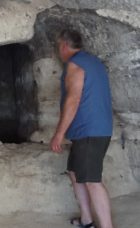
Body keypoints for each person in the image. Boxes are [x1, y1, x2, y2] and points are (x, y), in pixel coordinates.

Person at [50, 29, 114, 228]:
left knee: (92, 180)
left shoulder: (75, 64)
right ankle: (86, 220)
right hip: (92, 130)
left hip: (90, 131)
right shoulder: (93, 62)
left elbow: (73, 99)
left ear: (64, 46)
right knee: (74, 172)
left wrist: (58, 134)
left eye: (58, 47)